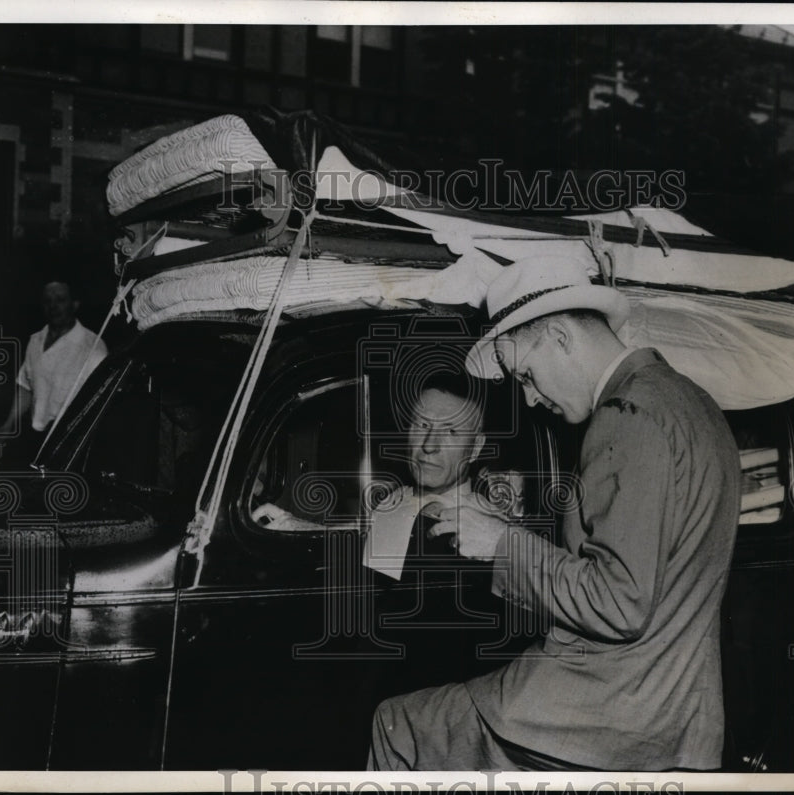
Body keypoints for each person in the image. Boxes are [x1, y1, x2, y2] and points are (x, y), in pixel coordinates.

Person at [367, 256, 742, 771]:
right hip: (681, 717)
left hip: (599, 714)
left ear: (562, 338)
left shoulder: (625, 416)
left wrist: (501, 541)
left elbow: (620, 602)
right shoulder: (691, 401)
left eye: (526, 375)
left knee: (399, 723)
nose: (529, 397)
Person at [251, 373, 522, 580]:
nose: (429, 445)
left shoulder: (482, 527)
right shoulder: (396, 497)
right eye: (423, 425)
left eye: (451, 432)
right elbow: (367, 544)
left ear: (475, 448)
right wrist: (298, 526)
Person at [0, 279, 108, 451]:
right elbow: (26, 386)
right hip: (35, 435)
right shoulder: (35, 340)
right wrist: (7, 425)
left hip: (72, 441)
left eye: (61, 300)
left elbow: (100, 401)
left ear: (75, 304)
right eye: (48, 301)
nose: (53, 306)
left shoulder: (93, 346)